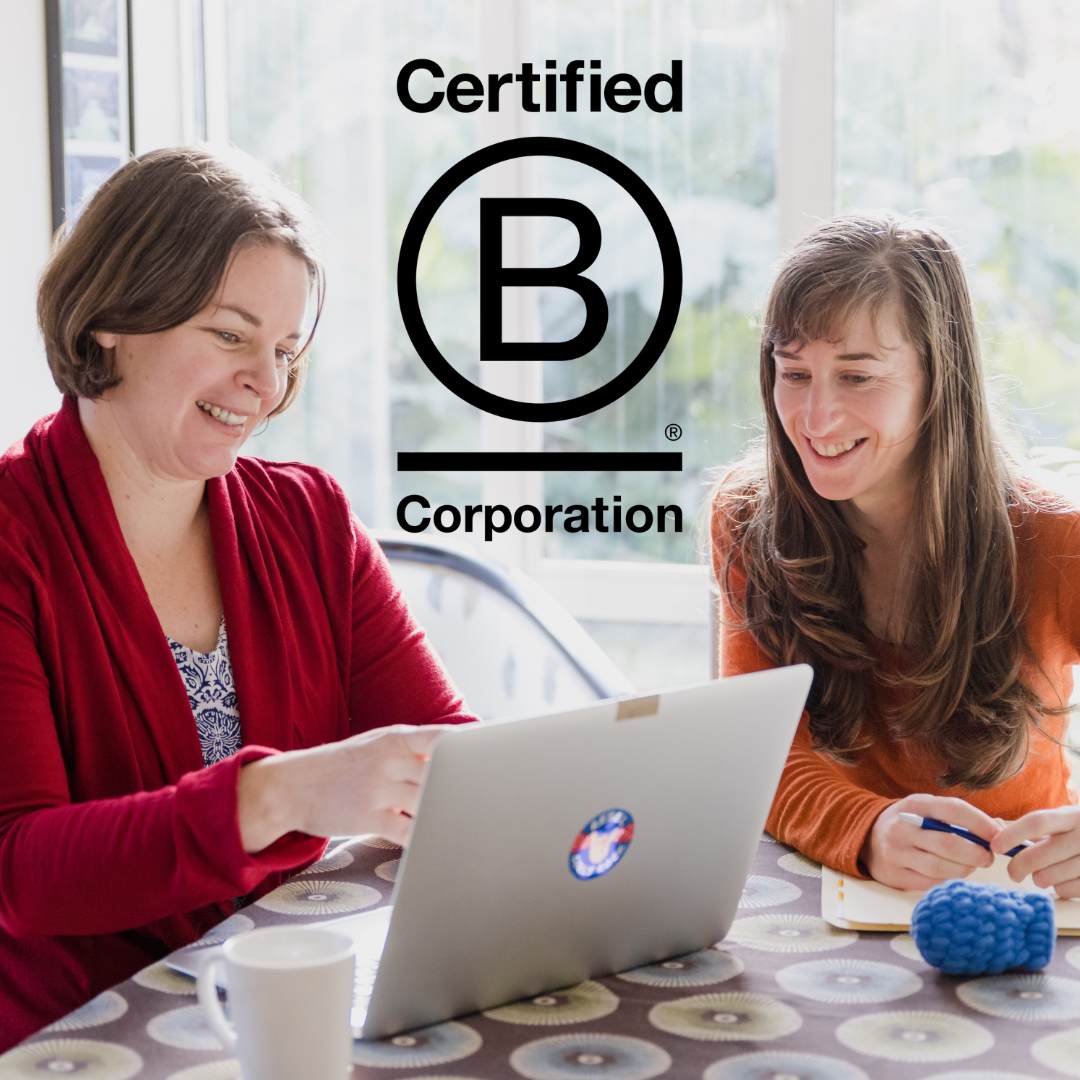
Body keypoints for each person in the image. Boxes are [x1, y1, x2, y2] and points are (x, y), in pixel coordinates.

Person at [0, 147, 474, 1048]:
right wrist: (282, 793)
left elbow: (449, 758)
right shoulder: (11, 541)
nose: (267, 383)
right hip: (85, 1039)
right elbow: (23, 872)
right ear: (112, 321)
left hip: (285, 1006)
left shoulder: (310, 519)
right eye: (230, 334)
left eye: (286, 349)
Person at [712, 211, 1080, 898]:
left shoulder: (1057, 537)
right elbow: (757, 755)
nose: (816, 421)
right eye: (794, 374)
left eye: (857, 377)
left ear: (940, 380)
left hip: (1022, 911)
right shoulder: (747, 517)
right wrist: (870, 829)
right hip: (823, 898)